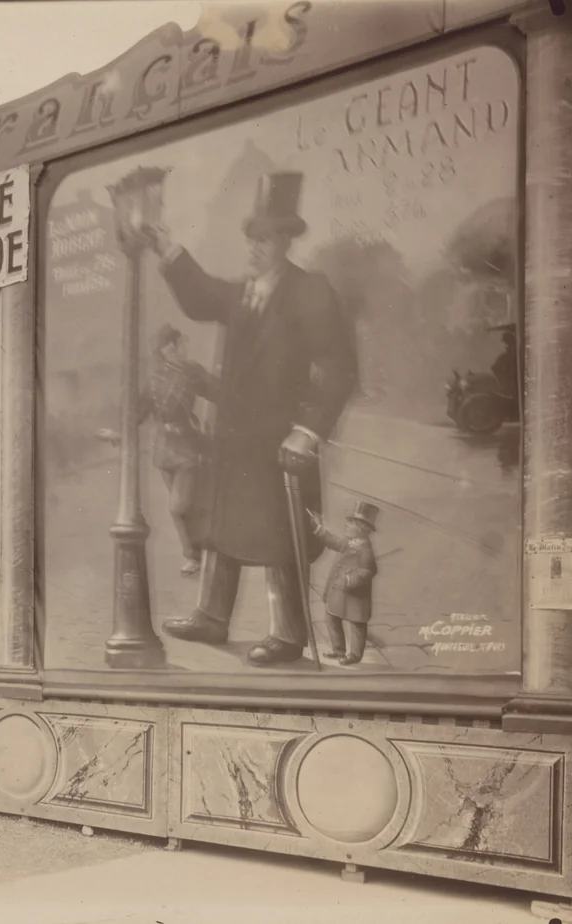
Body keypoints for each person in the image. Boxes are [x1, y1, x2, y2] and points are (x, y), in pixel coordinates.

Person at [141, 171, 358, 667]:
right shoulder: (243, 293)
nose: (254, 247)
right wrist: (167, 248)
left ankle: (288, 634)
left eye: (264, 238)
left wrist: (308, 432)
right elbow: (199, 296)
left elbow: (341, 369)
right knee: (222, 526)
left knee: (280, 536)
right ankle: (212, 616)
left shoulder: (310, 292)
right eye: (251, 237)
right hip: (235, 440)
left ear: (284, 240)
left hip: (282, 441)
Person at [97, 324, 215, 575]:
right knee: (186, 507)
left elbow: (219, 392)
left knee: (178, 507)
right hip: (163, 450)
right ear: (168, 348)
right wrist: (119, 433)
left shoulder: (192, 372)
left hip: (188, 446)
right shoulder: (154, 379)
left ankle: (193, 555)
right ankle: (199, 553)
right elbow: (139, 411)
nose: (185, 348)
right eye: (181, 344)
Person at [308, 501, 379, 667]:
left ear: (361, 529)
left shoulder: (365, 551)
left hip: (355, 597)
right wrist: (320, 530)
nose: (346, 525)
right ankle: (338, 649)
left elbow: (368, 571)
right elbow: (334, 542)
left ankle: (354, 654)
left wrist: (350, 579)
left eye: (351, 523)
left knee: (357, 624)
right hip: (340, 593)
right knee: (331, 618)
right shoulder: (349, 543)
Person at [491, 329, 518, 396]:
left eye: (506, 342)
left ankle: (505, 387)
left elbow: (494, 367)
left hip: (511, 382)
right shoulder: (511, 351)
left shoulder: (511, 352)